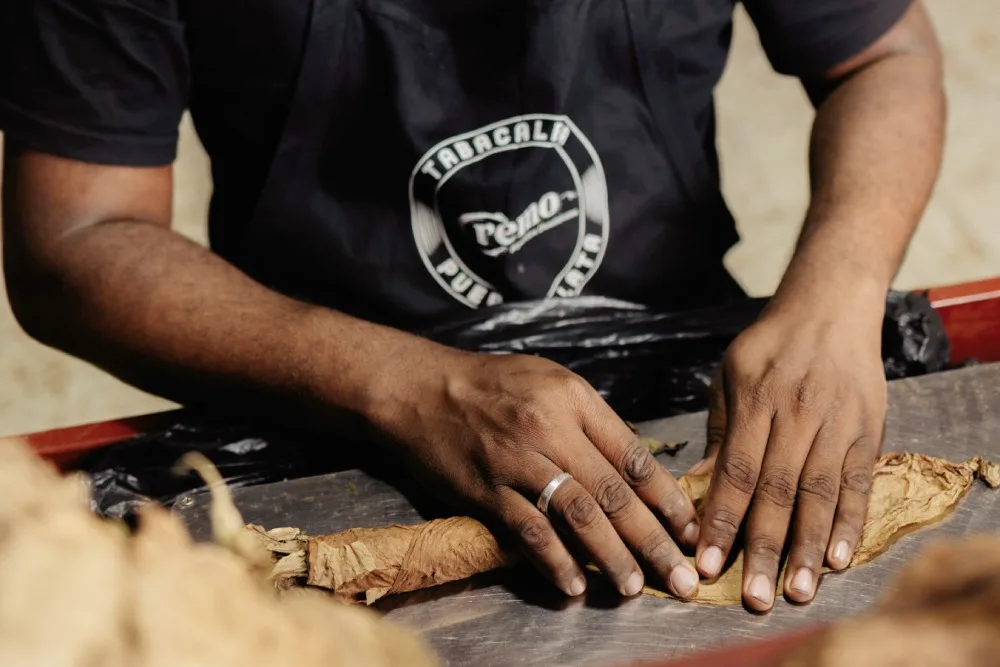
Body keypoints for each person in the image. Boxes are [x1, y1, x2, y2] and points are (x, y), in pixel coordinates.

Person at [0, 0, 944, 611]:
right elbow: (76, 237)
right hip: (317, 392)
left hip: (671, 341)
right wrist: (408, 386)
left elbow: (885, 52)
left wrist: (837, 292)